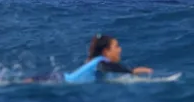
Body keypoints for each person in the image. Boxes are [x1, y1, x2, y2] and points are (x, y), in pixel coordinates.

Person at [23, 34, 153, 84]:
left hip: (58, 78)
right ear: (106, 51)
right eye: (116, 46)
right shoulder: (101, 61)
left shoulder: (96, 61)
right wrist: (131, 71)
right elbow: (105, 67)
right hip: (59, 81)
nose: (120, 49)